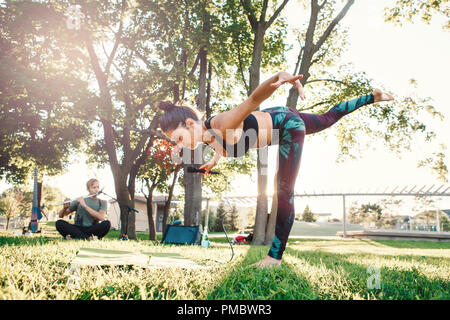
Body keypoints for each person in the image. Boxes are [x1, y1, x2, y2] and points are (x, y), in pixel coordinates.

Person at [157, 71, 394, 268]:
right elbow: (223, 144)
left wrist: (279, 80)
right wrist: (215, 161)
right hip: (278, 115)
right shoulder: (209, 135)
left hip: (286, 125)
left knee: (282, 189)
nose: (178, 146)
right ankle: (372, 97)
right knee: (327, 118)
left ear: (189, 124)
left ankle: (274, 257)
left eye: (178, 138)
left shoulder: (222, 122)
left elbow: (252, 101)